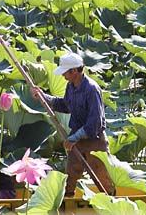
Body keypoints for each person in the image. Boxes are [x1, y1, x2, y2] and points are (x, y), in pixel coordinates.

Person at [30, 52, 114, 197]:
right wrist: (43, 97)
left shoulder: (92, 89)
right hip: (76, 141)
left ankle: (113, 205)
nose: (63, 76)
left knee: (104, 181)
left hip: (94, 142)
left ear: (74, 71)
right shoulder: (71, 86)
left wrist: (75, 137)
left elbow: (95, 122)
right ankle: (67, 207)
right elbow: (64, 105)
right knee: (70, 180)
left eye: (65, 73)